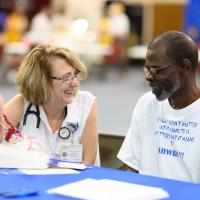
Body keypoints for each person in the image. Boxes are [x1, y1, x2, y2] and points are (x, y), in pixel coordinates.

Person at [117, 31, 200, 183]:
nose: (148, 76)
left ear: (185, 67)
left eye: (156, 70)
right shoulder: (147, 103)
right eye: (147, 69)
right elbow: (132, 166)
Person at [3, 44, 99, 165]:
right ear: (41, 81)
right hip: (29, 182)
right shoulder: (21, 104)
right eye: (66, 77)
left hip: (76, 181)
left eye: (75, 75)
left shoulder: (86, 103)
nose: (74, 83)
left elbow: (88, 162)